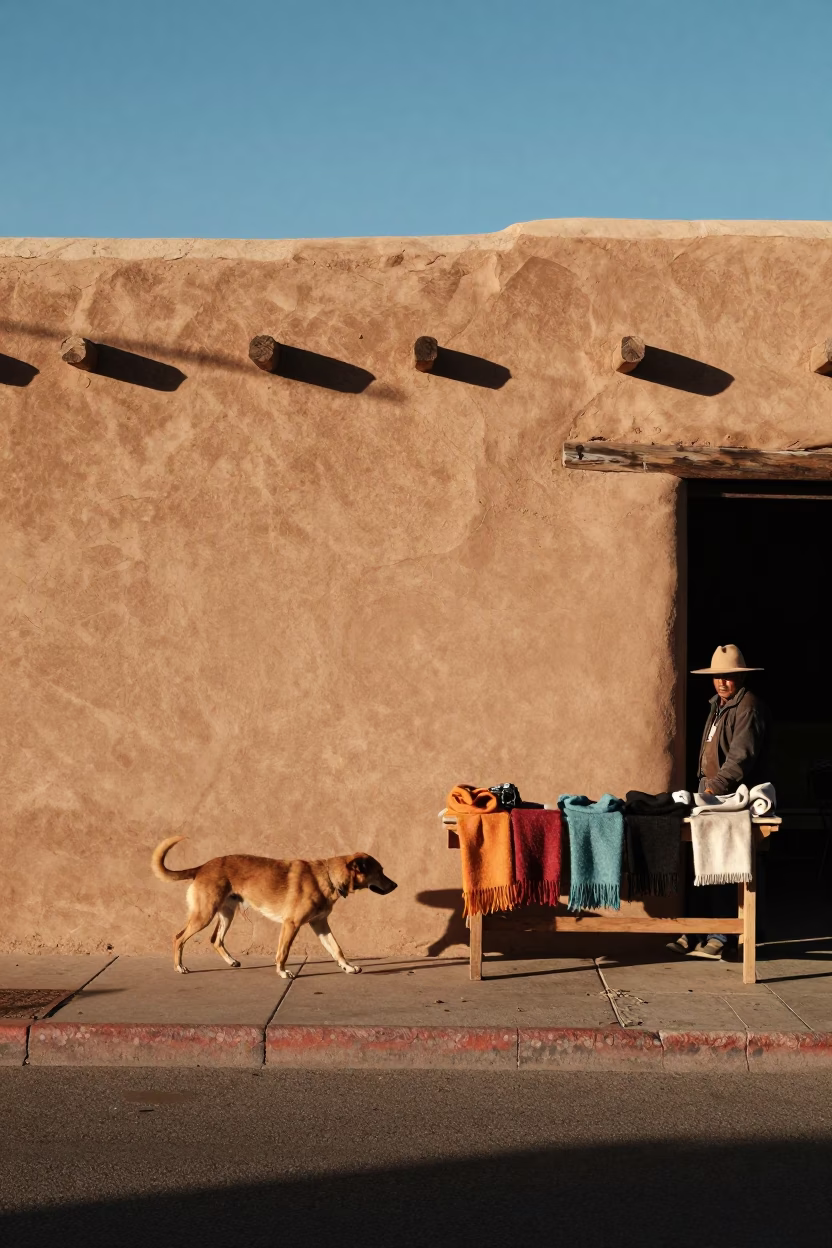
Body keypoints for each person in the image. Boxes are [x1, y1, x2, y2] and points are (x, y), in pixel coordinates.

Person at [668, 644, 770, 961]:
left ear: (739, 677)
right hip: (709, 791)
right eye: (718, 677)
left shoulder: (748, 707)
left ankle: (721, 935)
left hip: (729, 795)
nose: (722, 681)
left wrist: (713, 788)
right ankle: (696, 930)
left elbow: (740, 758)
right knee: (702, 861)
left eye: (729, 676)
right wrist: (703, 788)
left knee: (725, 864)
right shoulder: (717, 705)